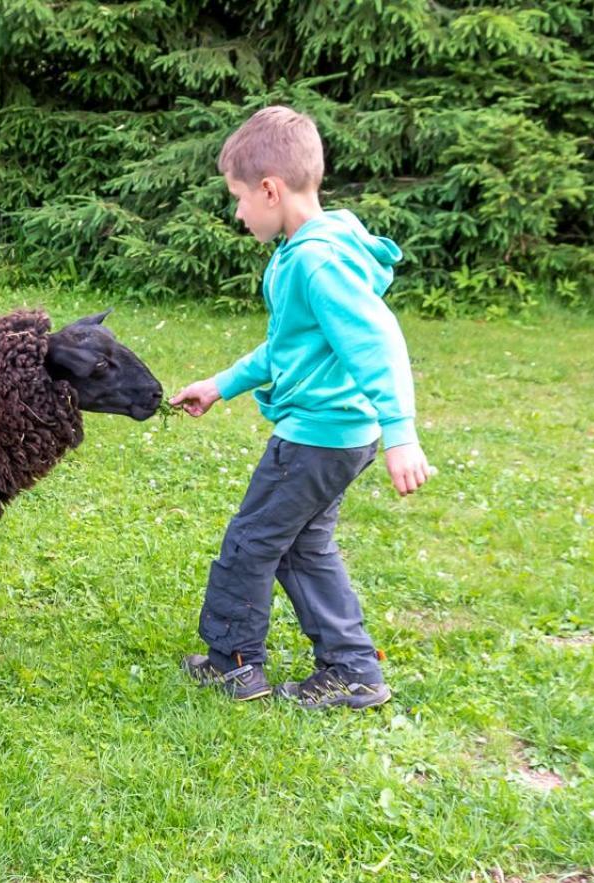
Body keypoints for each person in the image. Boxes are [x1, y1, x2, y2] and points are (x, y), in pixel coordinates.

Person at [169, 105, 434, 709]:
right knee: (302, 545)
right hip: (340, 435)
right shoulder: (318, 245)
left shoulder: (317, 259)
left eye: (238, 198)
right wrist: (221, 383)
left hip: (317, 438)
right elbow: (289, 345)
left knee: (252, 542)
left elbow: (377, 340)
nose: (237, 213)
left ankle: (233, 663)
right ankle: (354, 671)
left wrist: (403, 432)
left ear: (270, 189)